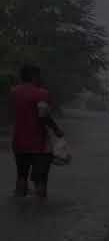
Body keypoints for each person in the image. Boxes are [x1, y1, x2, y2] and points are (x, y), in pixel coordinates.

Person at [10, 65, 63, 198]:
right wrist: (56, 130)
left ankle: (19, 203)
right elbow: (43, 115)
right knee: (41, 180)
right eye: (39, 76)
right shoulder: (42, 93)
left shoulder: (14, 92)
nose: (41, 78)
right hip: (39, 144)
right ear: (34, 76)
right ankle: (40, 211)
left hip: (18, 142)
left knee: (21, 176)